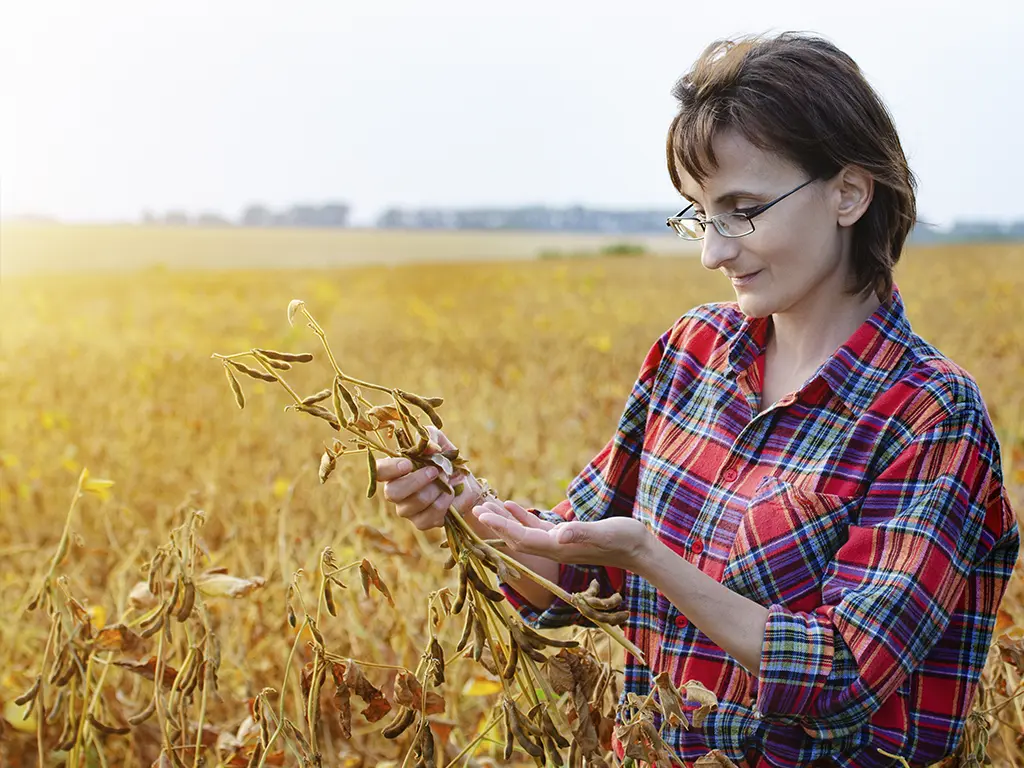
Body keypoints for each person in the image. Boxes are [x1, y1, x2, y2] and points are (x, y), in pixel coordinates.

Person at [375, 32, 1020, 768]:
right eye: (699, 214)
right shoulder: (692, 353)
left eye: (742, 209)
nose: (714, 251)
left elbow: (845, 672)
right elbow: (579, 566)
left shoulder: (931, 413)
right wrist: (468, 507)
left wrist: (651, 558)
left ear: (849, 192)